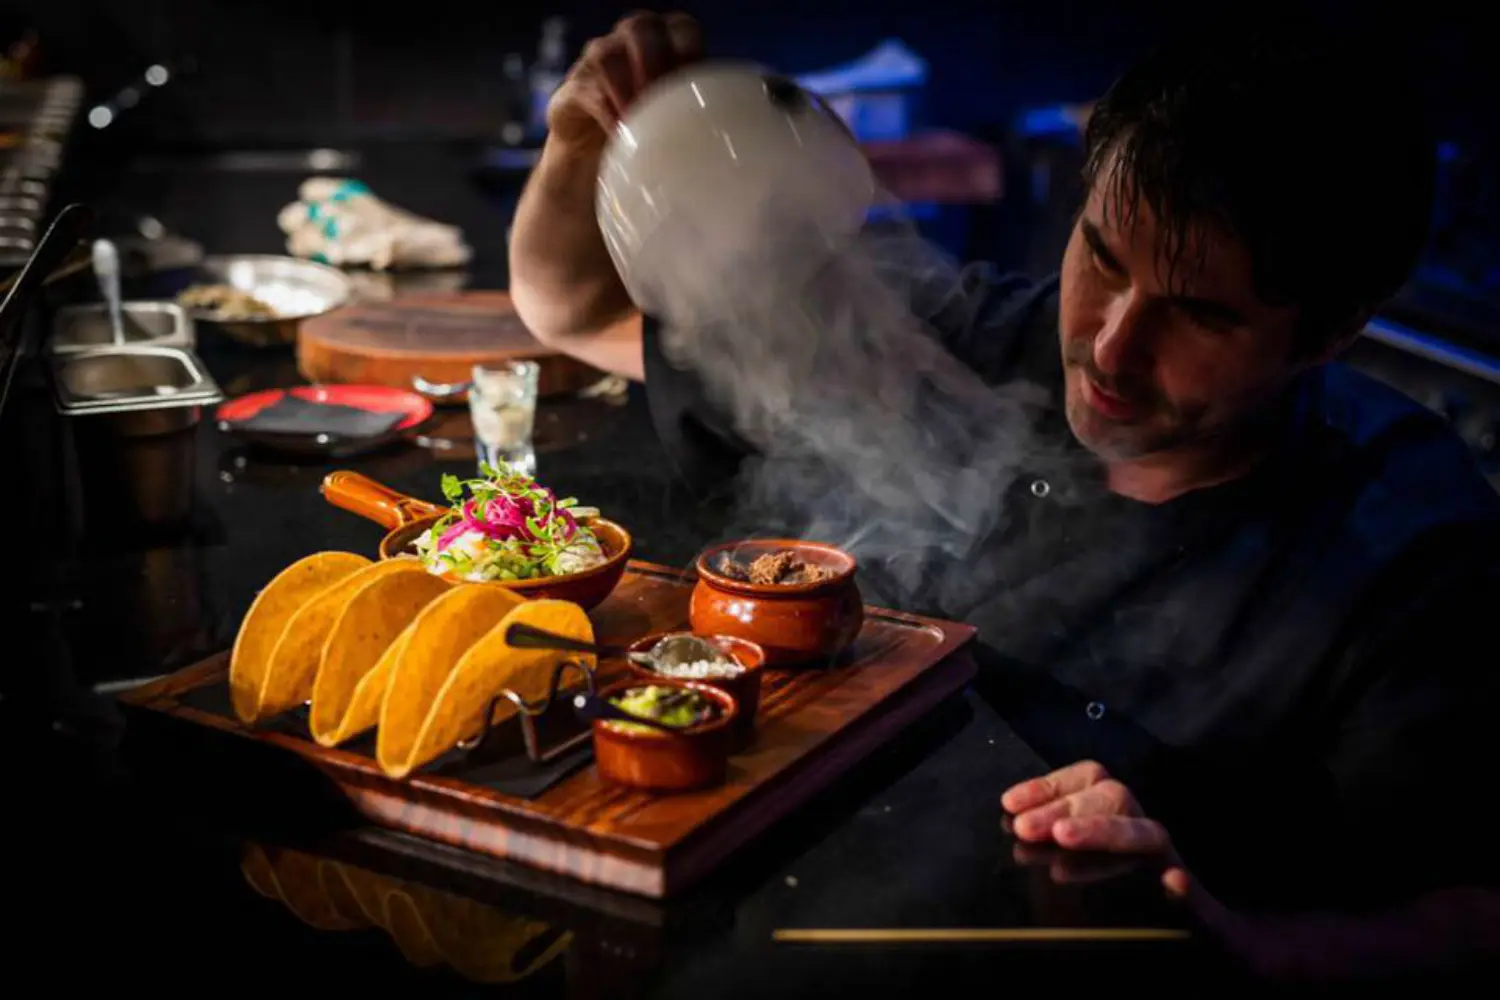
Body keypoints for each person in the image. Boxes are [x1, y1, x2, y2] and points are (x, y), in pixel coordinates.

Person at [510, 12, 1499, 911]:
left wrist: (1216, 924)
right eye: (1102, 257)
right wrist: (582, 148)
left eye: (1199, 314)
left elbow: (1464, 921)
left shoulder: (1408, 539)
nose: (1111, 348)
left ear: (1328, 333)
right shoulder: (963, 343)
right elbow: (575, 310)